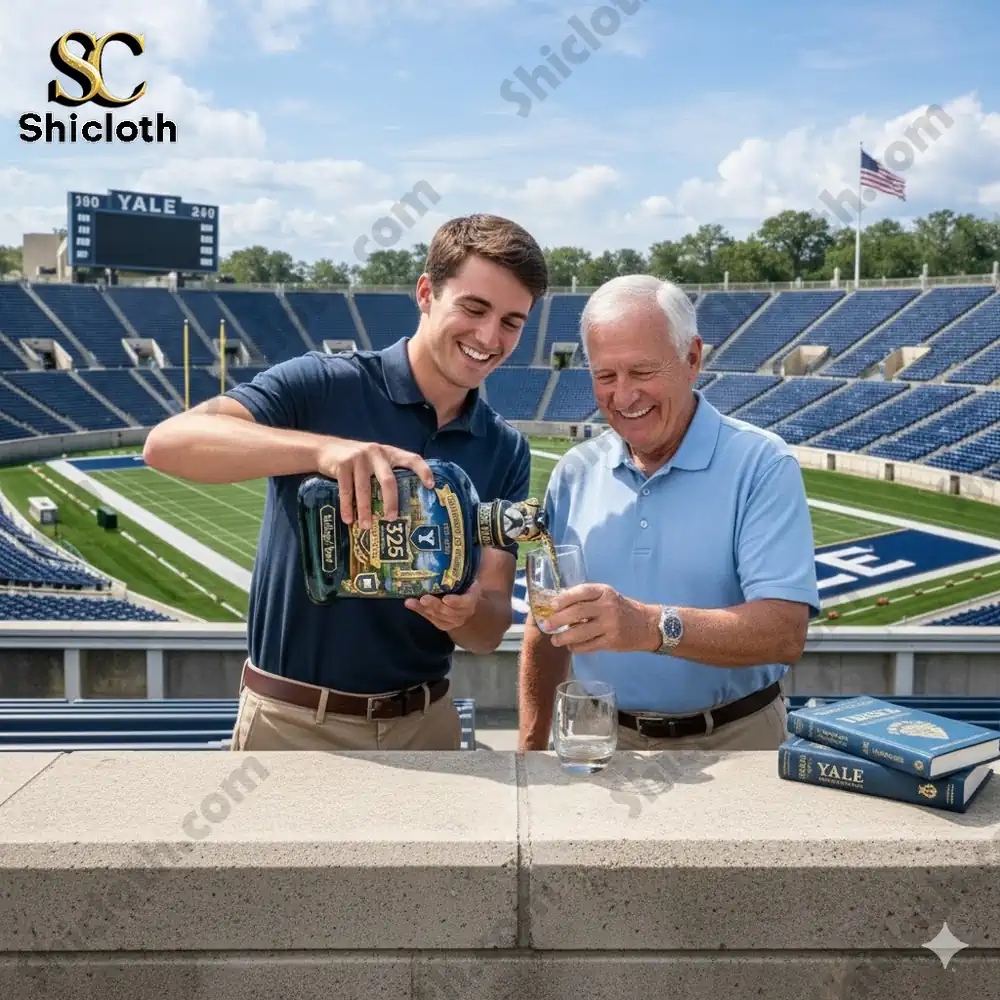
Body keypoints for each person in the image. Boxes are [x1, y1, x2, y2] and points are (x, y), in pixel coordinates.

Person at [143, 213, 548, 751]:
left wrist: (466, 611)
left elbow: (490, 630)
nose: (488, 336)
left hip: (426, 724)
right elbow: (168, 444)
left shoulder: (504, 447)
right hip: (294, 720)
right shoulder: (323, 385)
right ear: (426, 293)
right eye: (473, 308)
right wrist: (322, 450)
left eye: (512, 321)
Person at [518, 274, 820, 753]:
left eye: (642, 372)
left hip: (734, 741)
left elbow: (784, 633)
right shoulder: (574, 472)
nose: (622, 396)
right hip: (602, 739)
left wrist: (651, 626)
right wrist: (530, 750)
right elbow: (545, 622)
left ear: (692, 359)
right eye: (605, 376)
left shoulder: (762, 464)